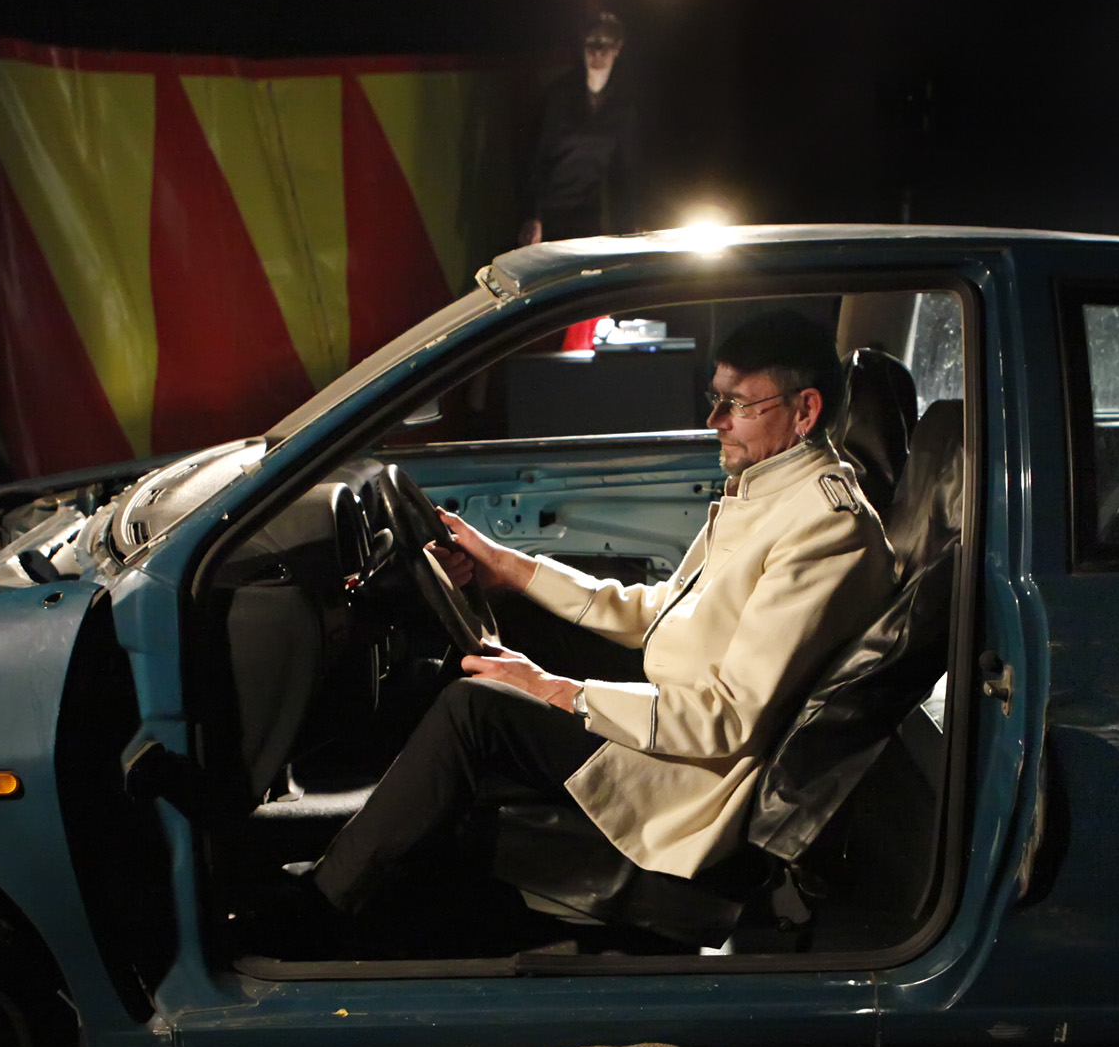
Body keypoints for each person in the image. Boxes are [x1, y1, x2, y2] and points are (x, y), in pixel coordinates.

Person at [307, 309, 895, 924]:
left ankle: (320, 908)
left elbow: (726, 719)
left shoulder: (825, 529)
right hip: (682, 720)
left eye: (738, 405)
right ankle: (399, 855)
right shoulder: (771, 492)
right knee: (514, 624)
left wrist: (554, 689)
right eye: (715, 399)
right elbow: (663, 613)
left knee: (473, 709)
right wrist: (507, 569)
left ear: (805, 411)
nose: (715, 421)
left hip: (699, 785)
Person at [519, 13, 641, 245]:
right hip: (547, 215)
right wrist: (532, 215)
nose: (597, 52)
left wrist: (627, 225)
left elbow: (622, 172)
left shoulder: (621, 108)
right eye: (591, 43)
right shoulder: (559, 96)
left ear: (617, 48)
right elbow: (536, 157)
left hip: (587, 215)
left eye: (605, 44)